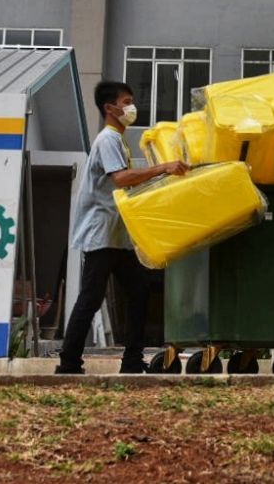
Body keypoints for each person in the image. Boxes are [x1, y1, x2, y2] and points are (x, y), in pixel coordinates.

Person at [55, 81, 189, 374]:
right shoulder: (108, 139)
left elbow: (126, 184)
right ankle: (68, 363)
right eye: (126, 102)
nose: (131, 107)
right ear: (110, 108)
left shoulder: (118, 139)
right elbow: (122, 178)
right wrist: (163, 167)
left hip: (117, 235)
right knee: (91, 299)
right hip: (102, 234)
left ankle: (131, 361)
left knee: (139, 292)